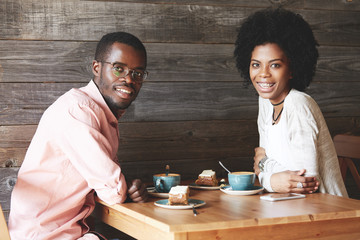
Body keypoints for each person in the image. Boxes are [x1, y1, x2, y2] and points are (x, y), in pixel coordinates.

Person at [9, 32, 149, 239]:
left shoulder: (100, 112)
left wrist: (128, 186)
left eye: (138, 73)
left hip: (69, 231)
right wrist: (124, 186)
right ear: (96, 68)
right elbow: (113, 192)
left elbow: (109, 181)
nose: (129, 79)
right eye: (119, 68)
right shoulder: (79, 110)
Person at [234, 8, 348, 197]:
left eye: (275, 65)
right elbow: (271, 175)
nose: (263, 74)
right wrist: (271, 176)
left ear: (292, 69)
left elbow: (304, 183)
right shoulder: (265, 102)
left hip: (328, 214)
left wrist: (264, 166)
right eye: (256, 64)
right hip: (288, 208)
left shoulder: (298, 104)